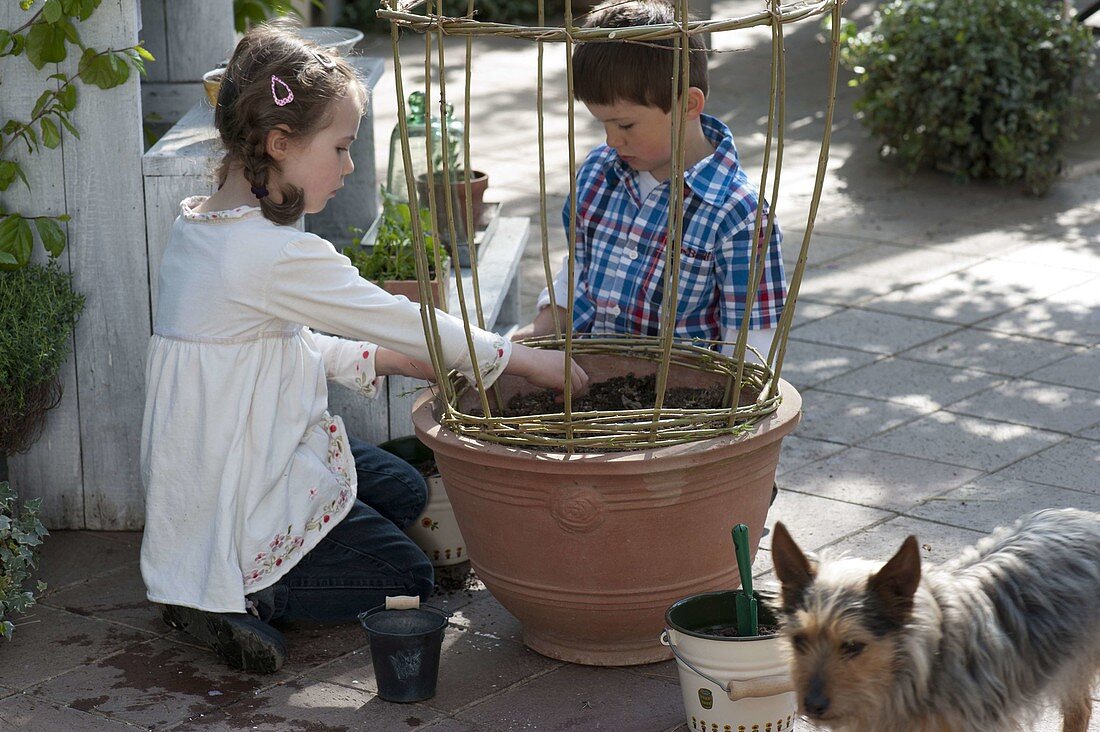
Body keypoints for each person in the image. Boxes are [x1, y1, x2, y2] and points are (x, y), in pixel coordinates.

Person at [140, 23, 588, 674]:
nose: (349, 167)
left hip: (225, 459)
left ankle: (205, 574)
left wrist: (384, 361)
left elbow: (263, 353)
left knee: (403, 492)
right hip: (235, 483)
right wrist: (529, 360)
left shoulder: (204, 224)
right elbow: (405, 318)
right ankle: (241, 593)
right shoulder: (273, 252)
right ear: (279, 143)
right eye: (342, 148)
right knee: (405, 574)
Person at [513, 0, 786, 362]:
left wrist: (726, 406)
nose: (612, 140)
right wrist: (534, 338)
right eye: (602, 124)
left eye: (625, 125)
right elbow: (577, 272)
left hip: (680, 403)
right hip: (589, 384)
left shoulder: (738, 215)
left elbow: (750, 343)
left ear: (689, 104)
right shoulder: (598, 173)